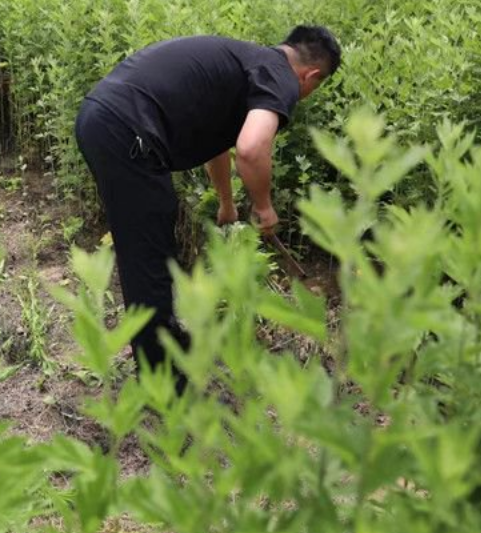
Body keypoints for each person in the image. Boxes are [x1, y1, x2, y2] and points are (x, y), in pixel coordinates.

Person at [74, 26, 342, 388]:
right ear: (311, 76)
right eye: (313, 87)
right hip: (126, 128)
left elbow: (218, 145)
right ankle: (162, 379)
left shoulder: (253, 65)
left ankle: (167, 345)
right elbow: (251, 149)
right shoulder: (281, 77)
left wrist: (227, 203)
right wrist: (264, 207)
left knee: (150, 241)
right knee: (147, 256)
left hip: (106, 118)